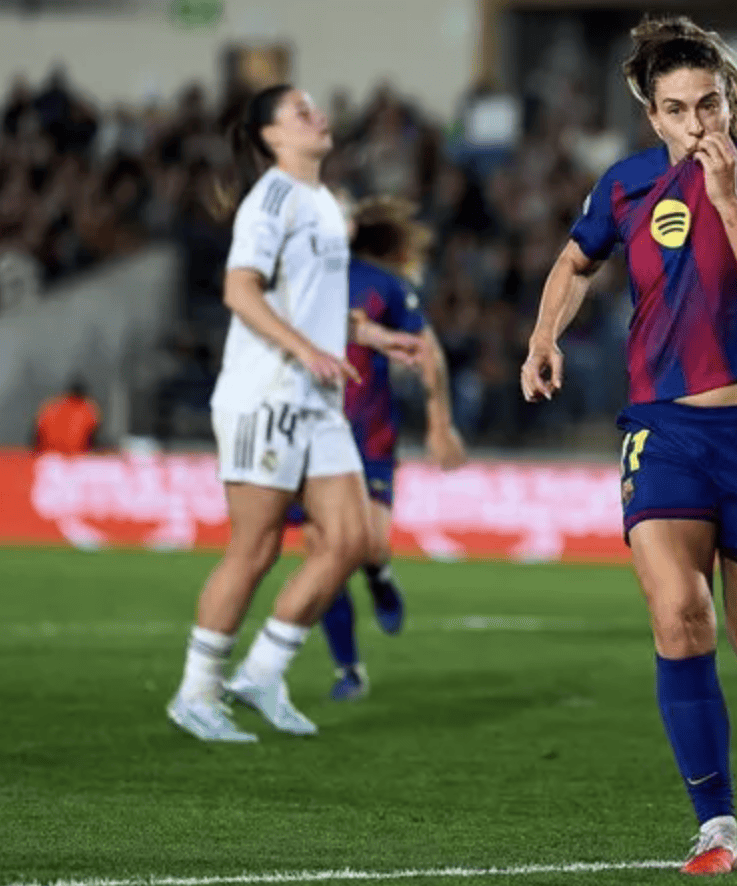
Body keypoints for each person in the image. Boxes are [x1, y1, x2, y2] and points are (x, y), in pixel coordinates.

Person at [521, 16, 737, 875]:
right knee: (681, 614)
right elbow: (575, 263)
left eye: (709, 105)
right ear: (653, 117)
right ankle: (716, 824)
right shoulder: (624, 186)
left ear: (730, 104)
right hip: (666, 431)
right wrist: (543, 337)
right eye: (677, 110)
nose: (696, 124)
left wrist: (725, 200)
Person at [166, 84, 423, 743]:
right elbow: (239, 289)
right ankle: (196, 692)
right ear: (272, 136)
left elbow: (309, 300)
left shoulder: (324, 203)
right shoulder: (272, 199)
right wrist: (307, 350)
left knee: (351, 541)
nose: (319, 117)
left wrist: (369, 336)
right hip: (267, 394)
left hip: (319, 401)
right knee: (255, 548)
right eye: (301, 112)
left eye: (316, 107)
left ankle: (262, 672)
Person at [294, 196, 467, 701]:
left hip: (367, 435)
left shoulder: (384, 285)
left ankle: (379, 573)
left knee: (368, 543)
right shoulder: (295, 282)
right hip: (308, 436)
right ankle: (348, 669)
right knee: (324, 553)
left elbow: (427, 352)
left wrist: (439, 424)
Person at [33, 377, 99, 454]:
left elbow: (36, 434)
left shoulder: (50, 406)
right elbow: (92, 438)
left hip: (46, 455)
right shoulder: (88, 409)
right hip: (76, 455)